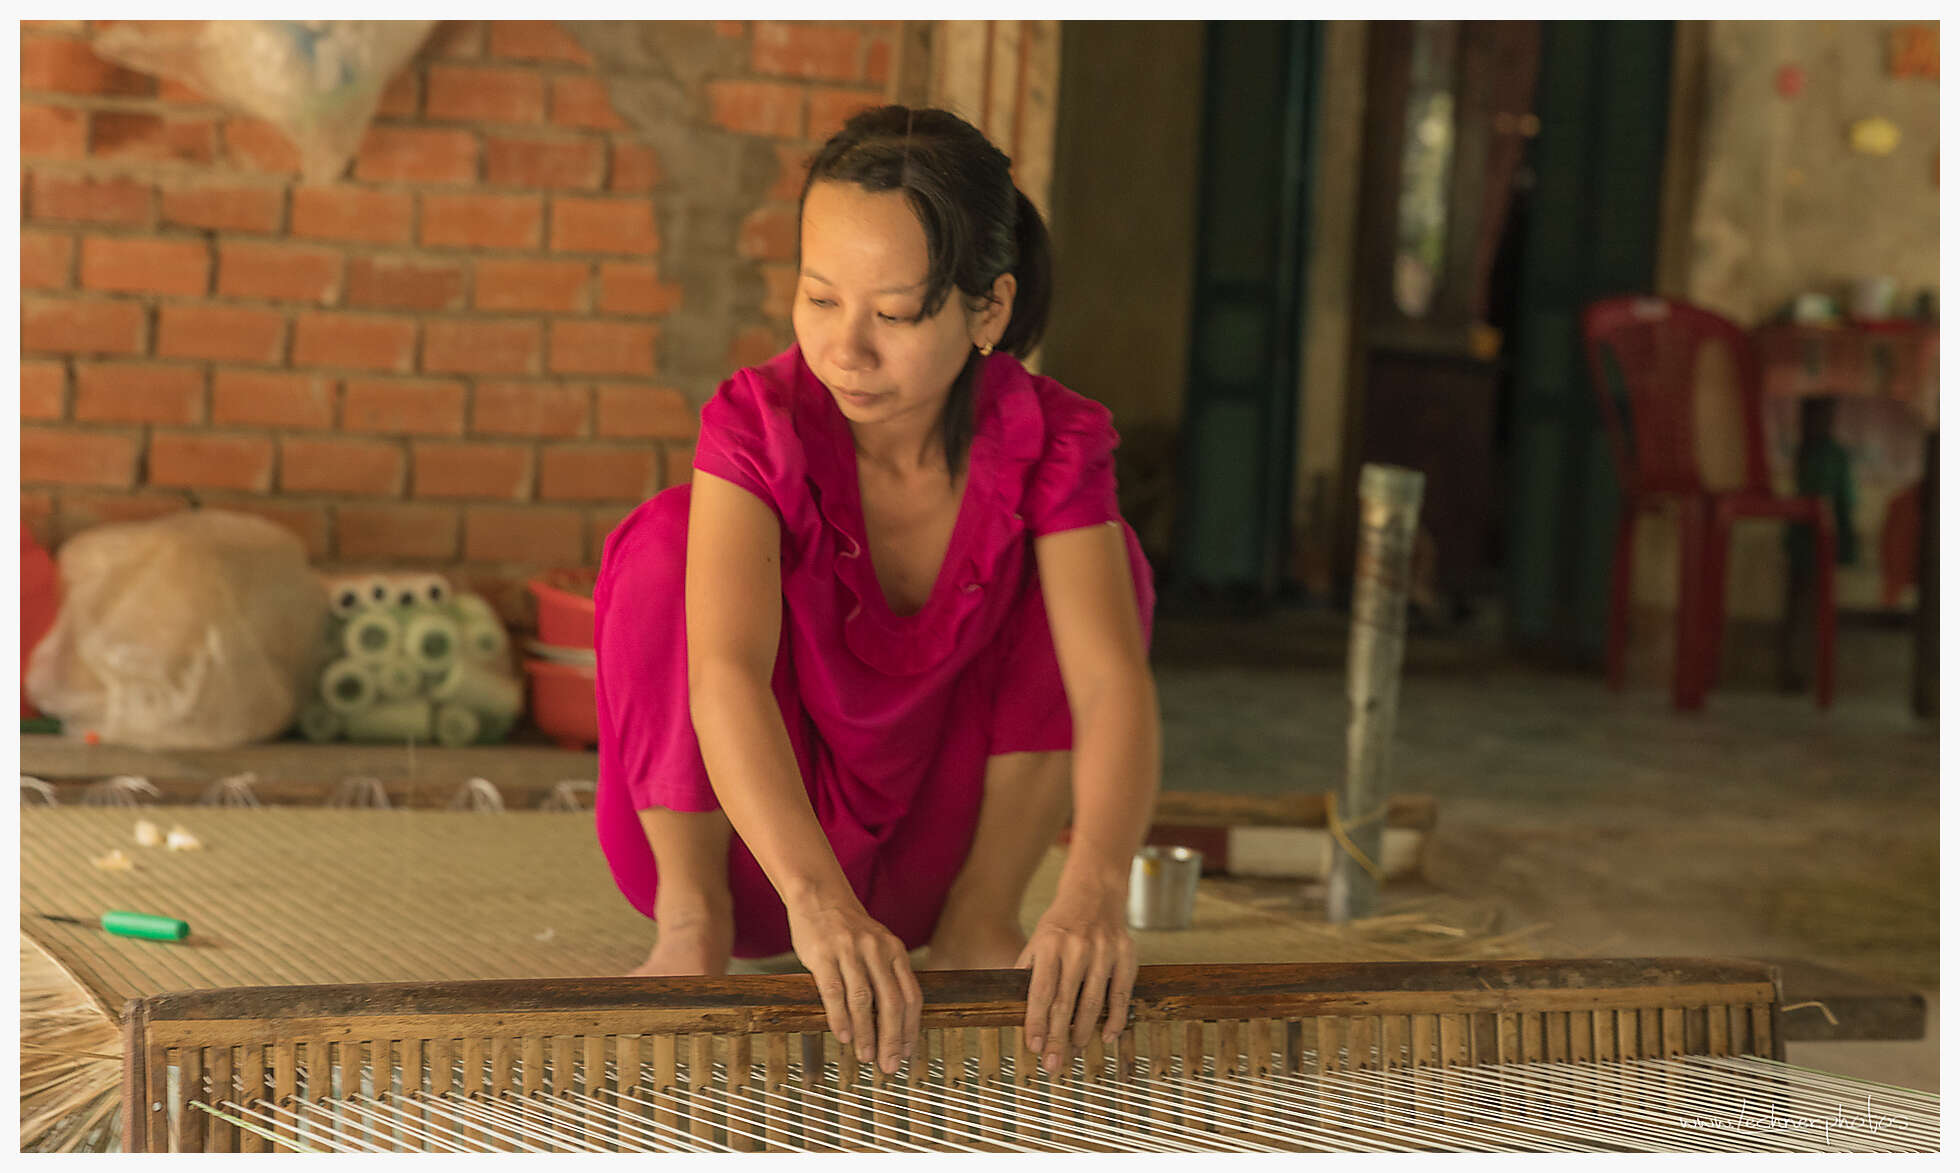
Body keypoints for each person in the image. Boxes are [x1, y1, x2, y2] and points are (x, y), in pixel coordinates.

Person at [593, 105, 1160, 1082]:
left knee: (1109, 564)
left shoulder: (1055, 443)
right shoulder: (756, 420)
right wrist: (816, 906)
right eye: (819, 300)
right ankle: (691, 921)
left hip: (935, 865)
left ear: (987, 312)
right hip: (759, 853)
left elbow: (1108, 684)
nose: (844, 350)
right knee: (667, 542)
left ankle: (985, 920)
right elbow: (724, 673)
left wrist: (1093, 892)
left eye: (893, 315)